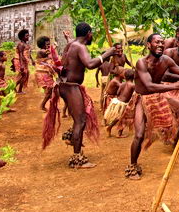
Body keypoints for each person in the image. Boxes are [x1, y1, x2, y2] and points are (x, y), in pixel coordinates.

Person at [42, 22, 117, 169]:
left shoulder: (72, 44)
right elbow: (89, 64)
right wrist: (107, 54)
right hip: (70, 87)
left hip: (66, 85)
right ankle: (77, 158)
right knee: (80, 121)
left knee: (79, 119)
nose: (92, 36)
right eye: (92, 34)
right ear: (88, 33)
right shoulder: (80, 47)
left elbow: (67, 56)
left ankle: (72, 137)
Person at [123, 33, 179, 180]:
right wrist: (174, 86)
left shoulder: (166, 60)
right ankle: (132, 166)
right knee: (139, 135)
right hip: (142, 99)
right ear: (148, 45)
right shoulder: (141, 63)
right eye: (157, 42)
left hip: (160, 95)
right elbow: (149, 86)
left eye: (162, 42)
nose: (160, 45)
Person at [106, 69, 136, 138]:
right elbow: (134, 95)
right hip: (124, 104)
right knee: (123, 118)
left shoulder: (122, 84)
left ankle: (110, 128)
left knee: (119, 118)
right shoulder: (132, 85)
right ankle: (117, 132)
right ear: (133, 77)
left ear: (125, 77)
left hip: (117, 101)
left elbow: (118, 92)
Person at [13, 29, 33, 93]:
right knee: (24, 74)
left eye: (28, 35)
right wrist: (21, 65)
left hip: (24, 61)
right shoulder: (21, 44)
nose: (28, 37)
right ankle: (15, 88)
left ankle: (17, 89)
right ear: (22, 37)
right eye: (26, 36)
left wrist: (32, 60)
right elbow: (20, 55)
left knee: (25, 74)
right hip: (20, 61)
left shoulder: (26, 44)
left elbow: (29, 54)